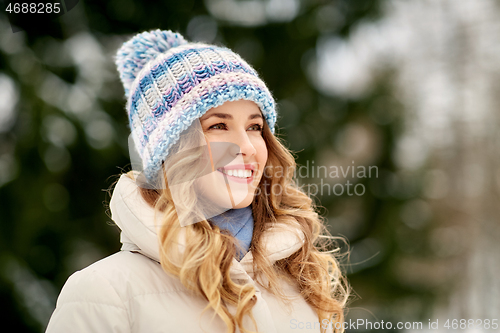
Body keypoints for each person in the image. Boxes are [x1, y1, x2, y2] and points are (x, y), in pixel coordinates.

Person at [45, 29, 349, 333]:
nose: (245, 146)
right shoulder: (104, 293)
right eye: (218, 125)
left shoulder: (302, 279)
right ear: (171, 149)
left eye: (255, 127)